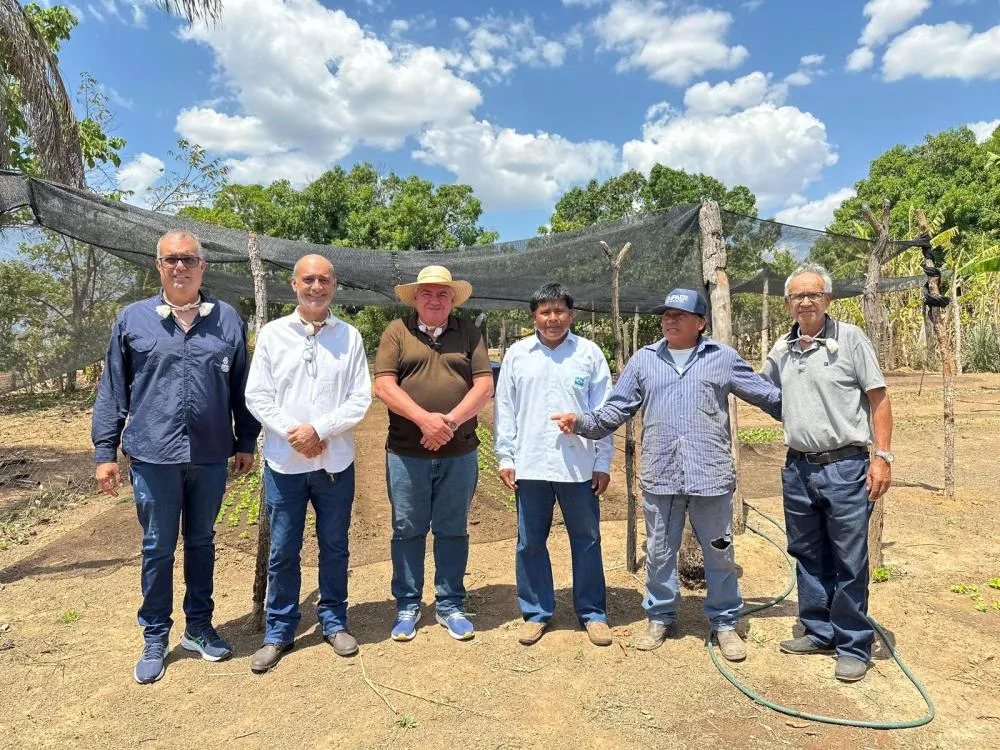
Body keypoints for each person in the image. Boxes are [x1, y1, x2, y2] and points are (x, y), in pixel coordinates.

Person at [552, 288, 781, 662]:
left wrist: (808, 409)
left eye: (680, 314)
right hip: (661, 475)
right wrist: (580, 422)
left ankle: (724, 622)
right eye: (665, 314)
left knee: (720, 553)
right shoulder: (644, 361)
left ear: (700, 322)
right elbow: (615, 410)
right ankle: (660, 615)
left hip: (711, 476)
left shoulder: (722, 358)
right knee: (659, 553)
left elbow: (766, 396)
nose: (670, 320)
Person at [92, 229, 260, 685]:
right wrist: (105, 450)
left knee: (202, 542)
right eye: (171, 260)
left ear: (203, 266)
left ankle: (200, 628)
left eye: (188, 258)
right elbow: (113, 389)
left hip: (209, 455)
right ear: (159, 267)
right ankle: (154, 634)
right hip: (153, 455)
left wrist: (246, 440)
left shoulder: (227, 319)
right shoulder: (133, 320)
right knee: (158, 547)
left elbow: (242, 389)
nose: (180, 266)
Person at [761, 263, 893, 683]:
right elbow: (764, 391)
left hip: (846, 466)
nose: (805, 302)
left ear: (828, 300)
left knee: (850, 558)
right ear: (788, 304)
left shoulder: (851, 339)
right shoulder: (781, 348)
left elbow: (879, 400)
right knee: (807, 553)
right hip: (798, 467)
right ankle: (818, 630)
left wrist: (882, 456)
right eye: (797, 296)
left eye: (813, 294)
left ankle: (854, 642)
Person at [244, 254, 372, 673]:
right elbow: (257, 396)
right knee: (284, 549)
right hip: (285, 463)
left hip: (335, 461)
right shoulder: (273, 335)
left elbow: (360, 398)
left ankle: (333, 621)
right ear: (293, 285)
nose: (316, 287)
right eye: (308, 280)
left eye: (324, 280)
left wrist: (320, 429)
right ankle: (279, 630)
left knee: (335, 546)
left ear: (334, 285)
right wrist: (293, 432)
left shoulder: (348, 337)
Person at [373, 265, 494, 642]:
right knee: (407, 530)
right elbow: (384, 385)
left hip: (459, 451)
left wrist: (450, 424)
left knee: (452, 529)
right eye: (427, 293)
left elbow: (484, 386)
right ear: (416, 298)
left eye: (443, 293)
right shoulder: (397, 332)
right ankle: (407, 605)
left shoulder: (470, 333)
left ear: (453, 299)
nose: (435, 299)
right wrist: (425, 421)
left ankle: (449, 604)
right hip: (407, 453)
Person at [494, 283, 614, 647]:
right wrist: (505, 456)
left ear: (571, 315)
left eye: (560, 311)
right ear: (534, 316)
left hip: (578, 465)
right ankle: (536, 612)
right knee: (530, 541)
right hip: (530, 464)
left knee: (588, 539)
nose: (553, 318)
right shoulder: (517, 355)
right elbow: (505, 410)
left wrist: (603, 460)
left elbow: (604, 411)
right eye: (545, 312)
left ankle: (592, 613)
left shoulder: (589, 355)